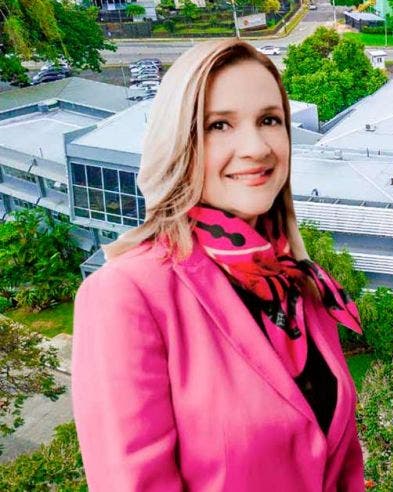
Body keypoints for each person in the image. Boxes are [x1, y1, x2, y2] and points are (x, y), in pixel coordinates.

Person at [71, 39, 366, 491]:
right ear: (179, 142)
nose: (255, 147)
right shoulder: (126, 296)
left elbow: (342, 467)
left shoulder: (300, 285)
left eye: (269, 120)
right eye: (219, 125)